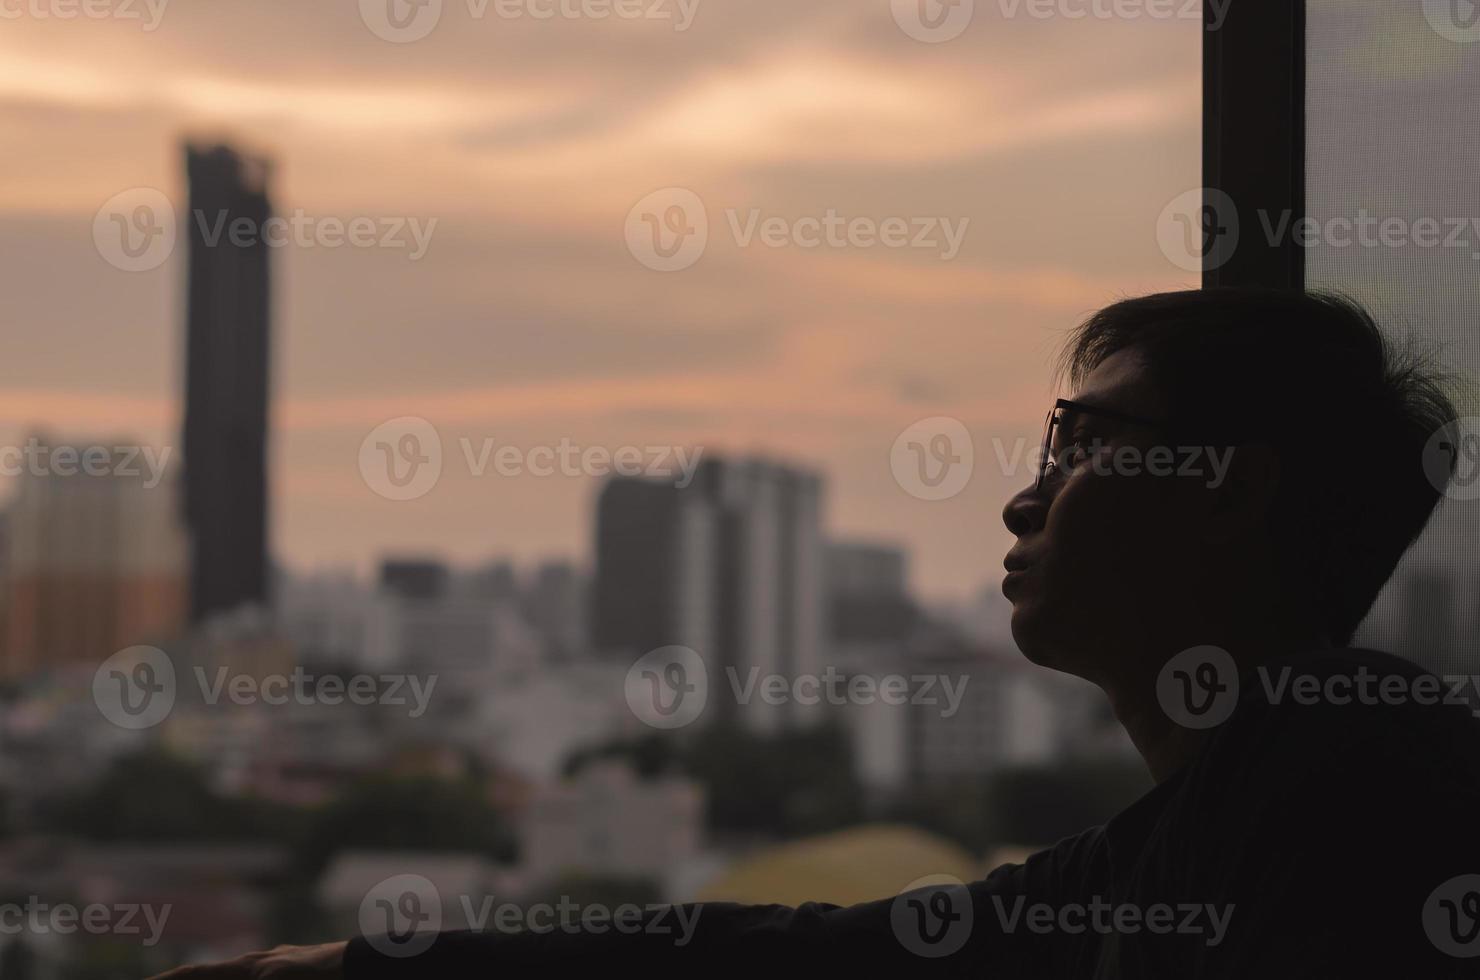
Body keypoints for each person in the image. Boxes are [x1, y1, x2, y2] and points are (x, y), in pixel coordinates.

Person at [152, 288, 1480, 978]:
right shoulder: (1208, 824)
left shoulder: (1355, 797)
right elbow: (812, 956)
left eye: (1083, 443)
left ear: (1228, 491)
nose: (1025, 494)